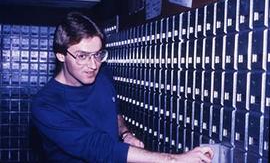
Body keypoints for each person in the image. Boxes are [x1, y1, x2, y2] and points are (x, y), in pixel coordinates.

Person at [31, 12, 214, 163]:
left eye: (97, 54)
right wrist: (175, 160)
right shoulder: (46, 105)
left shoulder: (102, 74)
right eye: (82, 56)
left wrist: (125, 133)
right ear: (61, 55)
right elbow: (98, 147)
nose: (93, 64)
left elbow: (113, 112)